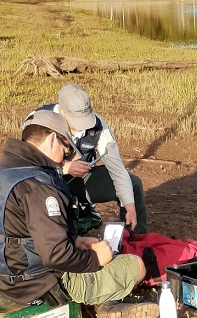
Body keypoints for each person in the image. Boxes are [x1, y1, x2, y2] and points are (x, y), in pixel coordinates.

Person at [0, 108, 157, 318]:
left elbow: (20, 231)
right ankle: (105, 307)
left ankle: (104, 304)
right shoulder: (39, 187)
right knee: (134, 265)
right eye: (66, 147)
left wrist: (75, 241)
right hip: (36, 285)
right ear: (51, 139)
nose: (66, 155)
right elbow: (56, 256)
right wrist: (96, 259)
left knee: (89, 251)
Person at [45, 84, 148, 234]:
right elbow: (27, 164)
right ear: (61, 111)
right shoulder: (40, 120)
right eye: (75, 119)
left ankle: (135, 243)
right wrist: (64, 167)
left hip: (79, 181)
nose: (82, 126)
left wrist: (130, 208)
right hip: (46, 183)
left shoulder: (99, 126)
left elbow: (117, 170)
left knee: (133, 184)